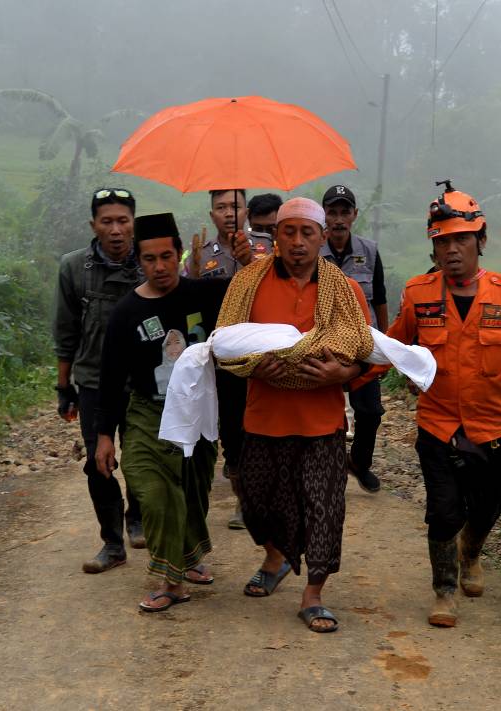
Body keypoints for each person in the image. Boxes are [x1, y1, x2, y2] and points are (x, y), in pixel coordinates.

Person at [363, 182, 501, 628]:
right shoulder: (419, 293)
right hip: (438, 423)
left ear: (480, 241)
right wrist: (350, 375)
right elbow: (392, 345)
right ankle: (444, 591)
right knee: (444, 509)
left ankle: (473, 551)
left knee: (490, 501)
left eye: (461, 239)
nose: (451, 250)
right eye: (442, 241)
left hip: (491, 423)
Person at [221, 197, 372, 633]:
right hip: (263, 416)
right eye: (289, 232)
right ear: (276, 236)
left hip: (321, 421)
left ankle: (314, 595)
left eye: (308, 232)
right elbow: (226, 343)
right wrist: (251, 364)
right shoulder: (247, 284)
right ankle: (277, 554)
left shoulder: (345, 290)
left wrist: (343, 371)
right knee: (256, 504)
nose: (298, 241)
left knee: (323, 507)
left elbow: (367, 352)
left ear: (323, 238)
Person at [95, 212, 250, 612]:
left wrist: (246, 260)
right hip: (149, 413)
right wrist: (104, 436)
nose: (159, 266)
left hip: (198, 412)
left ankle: (190, 556)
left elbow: (251, 297)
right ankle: (169, 579)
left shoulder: (207, 295)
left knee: (193, 488)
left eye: (166, 256)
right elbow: (110, 379)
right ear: (139, 261)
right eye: (149, 259)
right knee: (152, 490)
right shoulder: (126, 314)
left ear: (180, 254)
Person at [53, 187, 145, 574]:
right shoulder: (74, 268)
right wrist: (64, 388)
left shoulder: (150, 261)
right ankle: (111, 542)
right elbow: (66, 331)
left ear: (133, 225)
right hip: (92, 382)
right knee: (98, 462)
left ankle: (137, 518)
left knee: (143, 458)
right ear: (93, 225)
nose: (116, 229)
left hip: (143, 383)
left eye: (123, 221)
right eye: (107, 221)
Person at [183, 189, 274, 531]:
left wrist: (250, 261)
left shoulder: (267, 246)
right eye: (220, 207)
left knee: (260, 430)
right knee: (232, 434)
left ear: (246, 211)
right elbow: (187, 302)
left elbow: (280, 286)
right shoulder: (201, 253)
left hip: (262, 355)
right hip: (222, 358)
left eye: (234, 206)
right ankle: (241, 492)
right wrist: (191, 269)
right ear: (211, 215)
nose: (228, 213)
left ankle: (249, 500)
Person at [320, 184, 389, 494]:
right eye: (332, 212)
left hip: (363, 345)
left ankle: (359, 463)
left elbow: (381, 298)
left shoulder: (369, 250)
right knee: (328, 415)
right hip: (325, 346)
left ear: (354, 215)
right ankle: (330, 470)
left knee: (371, 412)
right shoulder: (313, 251)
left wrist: (384, 345)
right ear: (324, 216)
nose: (338, 219)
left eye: (344, 212)